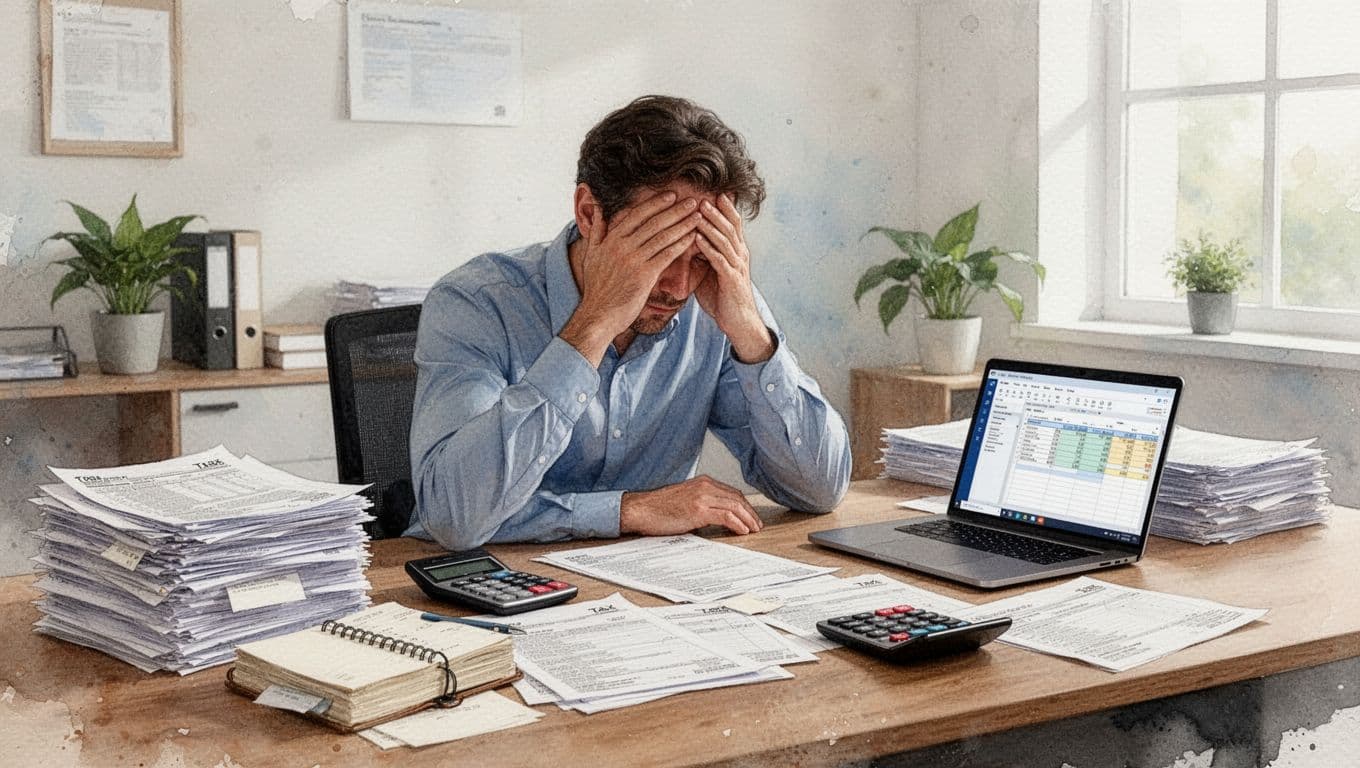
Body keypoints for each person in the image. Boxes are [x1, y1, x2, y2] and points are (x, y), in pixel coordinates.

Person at [406, 95, 851, 551]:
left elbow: (818, 491)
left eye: (700, 257)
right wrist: (594, 324)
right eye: (658, 251)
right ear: (589, 213)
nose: (679, 287)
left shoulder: (715, 299)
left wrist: (753, 339)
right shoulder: (476, 303)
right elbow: (454, 516)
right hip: (492, 593)